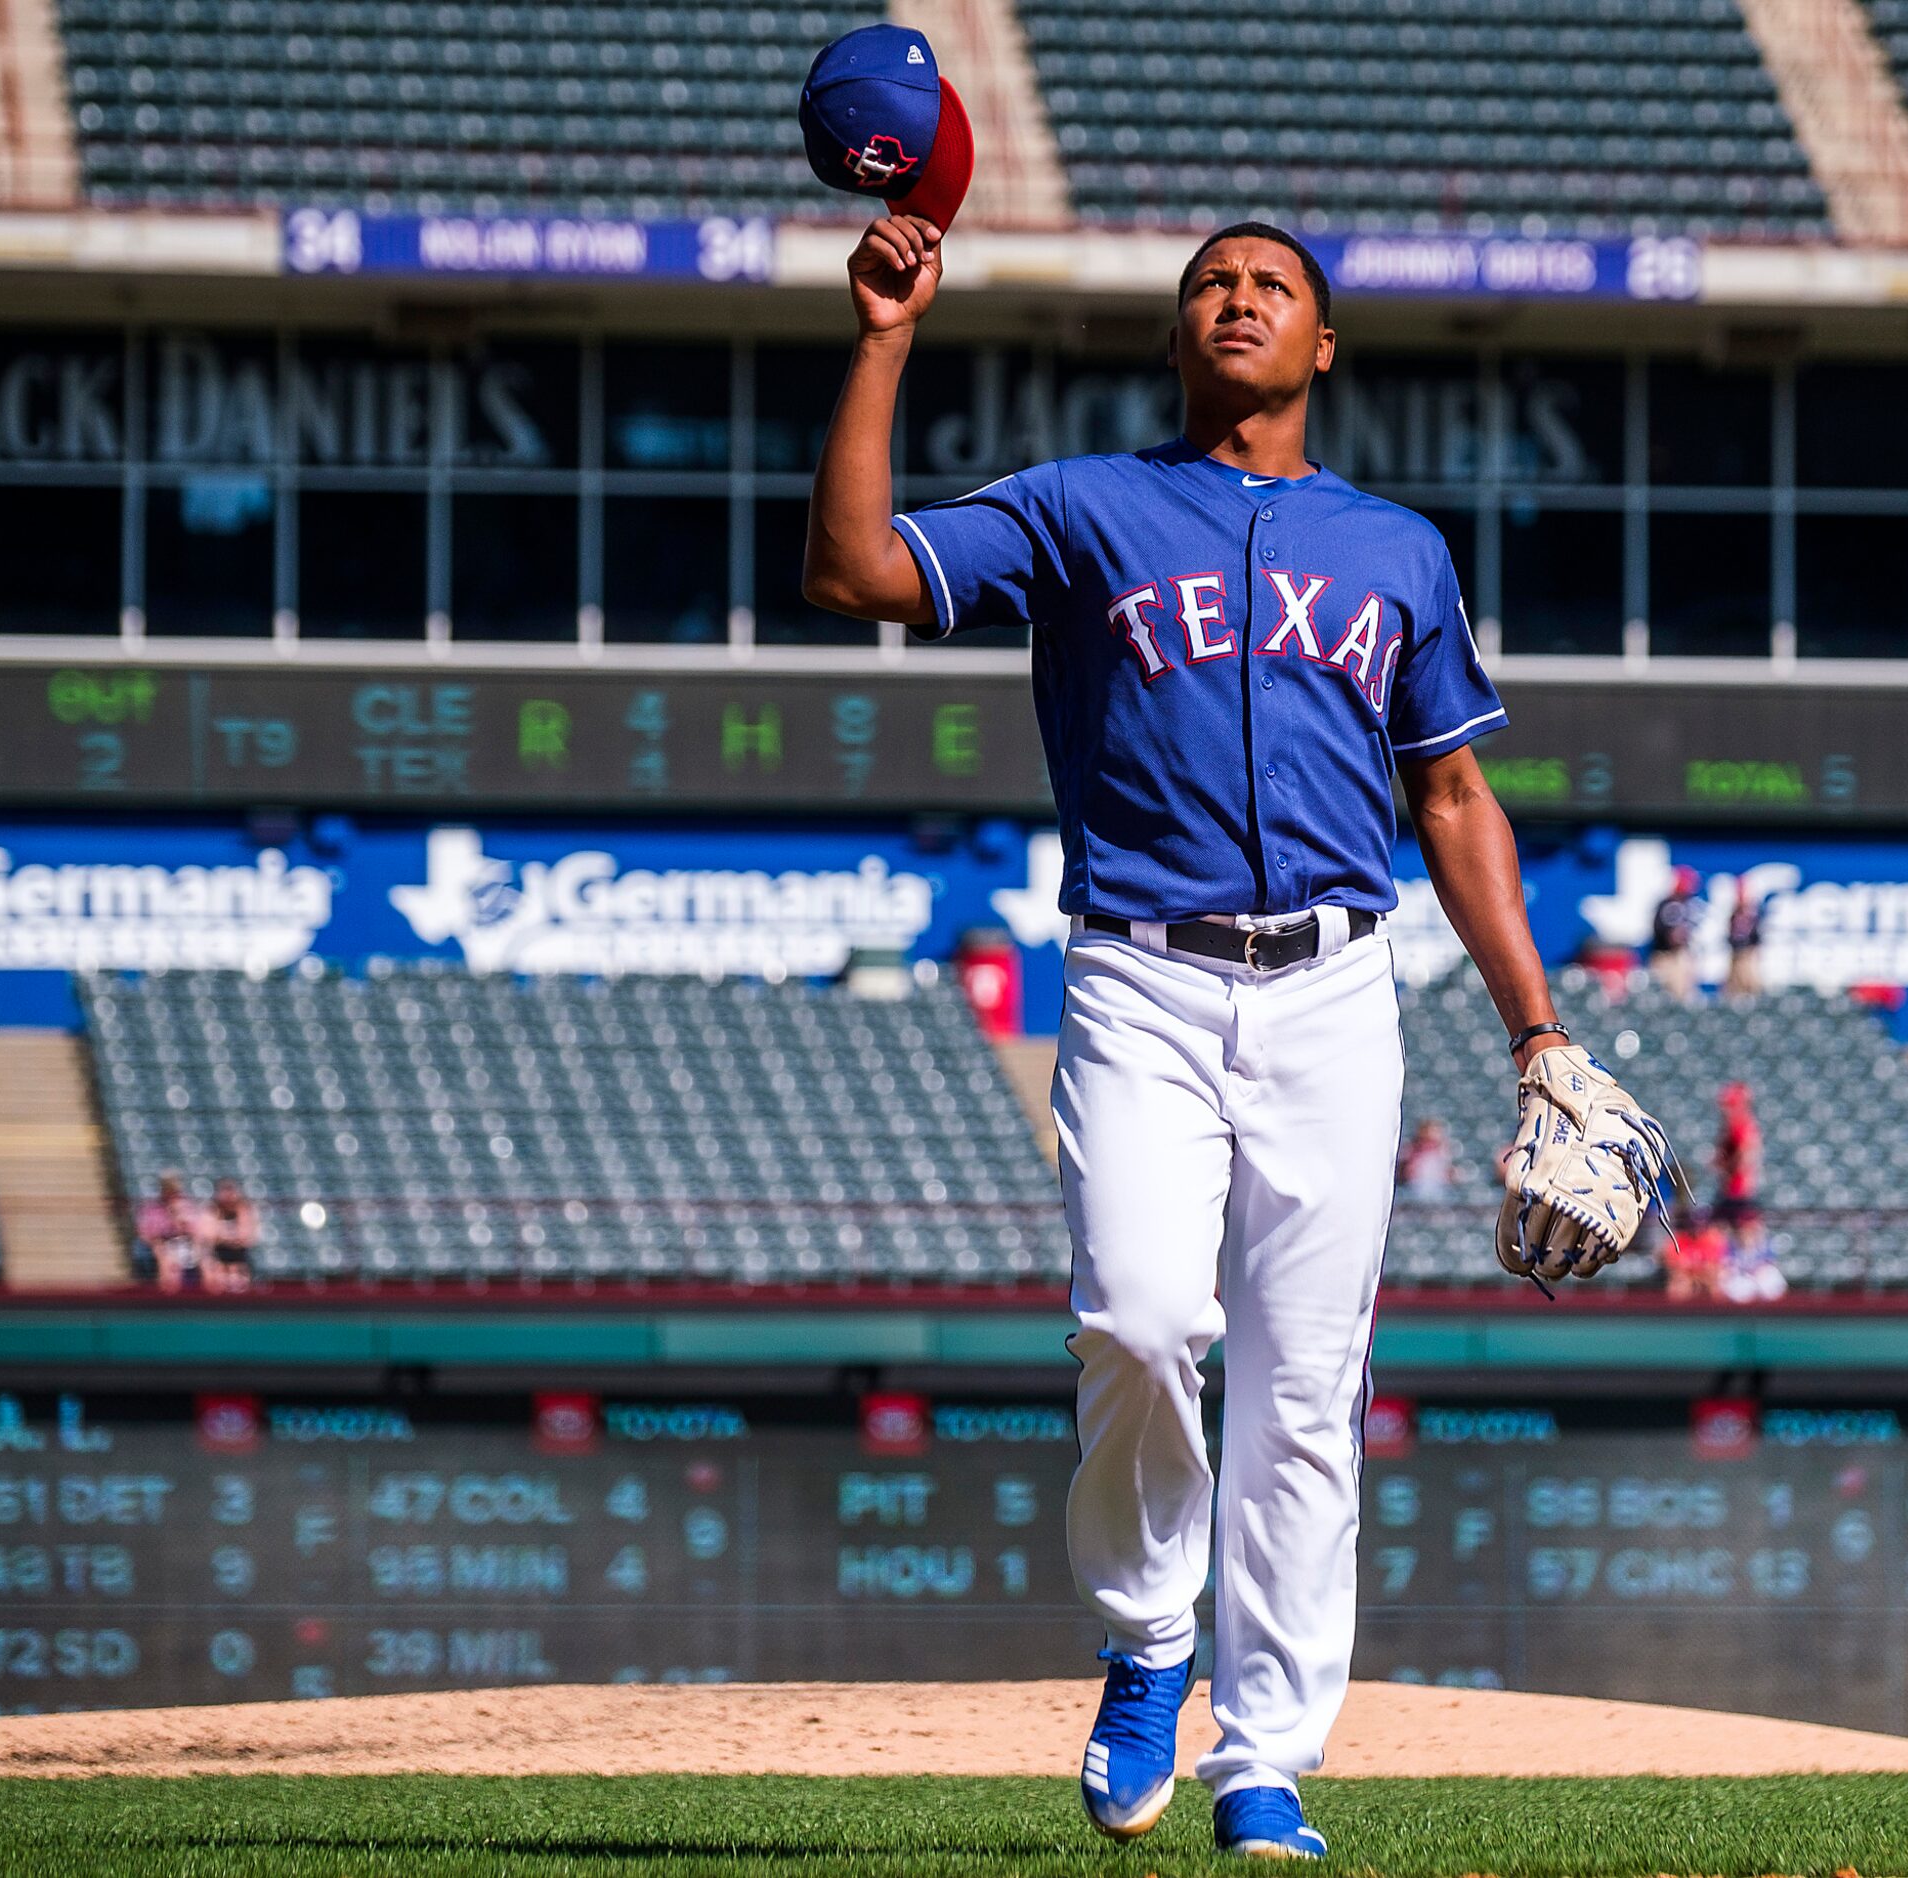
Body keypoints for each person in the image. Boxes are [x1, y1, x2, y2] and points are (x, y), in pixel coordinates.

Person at [805, 209, 1606, 1861]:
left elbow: (1452, 795)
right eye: (1209, 289)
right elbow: (856, 571)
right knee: (1141, 1317)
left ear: (1323, 348)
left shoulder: (1396, 550)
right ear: (1177, 343)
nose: (1236, 301)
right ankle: (1148, 1635)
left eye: (1272, 288)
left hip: (1334, 986)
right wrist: (885, 333)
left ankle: (1267, 1759)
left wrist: (1541, 1033)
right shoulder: (1084, 506)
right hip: (1140, 977)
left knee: (1306, 1393)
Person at [1712, 1084, 1783, 1302]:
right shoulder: (1734, 1126)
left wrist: (1725, 1164)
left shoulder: (1741, 1125)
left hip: (1738, 1189)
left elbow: (1747, 1155)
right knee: (1727, 1229)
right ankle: (1739, 1268)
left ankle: (1752, 1268)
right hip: (1734, 1188)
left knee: (1744, 1229)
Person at [133, 1172, 201, 1294]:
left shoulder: (186, 1206)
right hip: (160, 1244)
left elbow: (193, 1230)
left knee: (205, 1258)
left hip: (184, 1243)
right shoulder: (152, 1208)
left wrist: (178, 1219)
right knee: (164, 1256)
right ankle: (167, 1292)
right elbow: (146, 1234)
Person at [1649, 864, 1702, 1003]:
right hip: (1666, 956)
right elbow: (1664, 932)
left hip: (1681, 955)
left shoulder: (1689, 906)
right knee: (1666, 997)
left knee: (1685, 994)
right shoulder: (1668, 905)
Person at [202, 1179, 261, 1294]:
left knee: (238, 1279)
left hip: (241, 1255)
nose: (228, 1195)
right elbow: (209, 1236)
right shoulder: (212, 1210)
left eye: (231, 1191)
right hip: (218, 1254)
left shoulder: (245, 1209)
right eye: (224, 1191)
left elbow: (247, 1237)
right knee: (215, 1275)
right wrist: (228, 1238)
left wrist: (226, 1237)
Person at [1666, 1207, 1728, 1302]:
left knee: (1716, 1287)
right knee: (1678, 1286)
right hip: (1687, 1277)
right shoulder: (1678, 1239)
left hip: (1705, 1277)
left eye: (1701, 1224)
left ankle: (1717, 1314)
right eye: (1694, 1224)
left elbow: (1714, 1267)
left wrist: (1700, 1276)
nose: (1697, 1228)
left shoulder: (1713, 1239)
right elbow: (1675, 1267)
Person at [1722, 879, 1764, 1005]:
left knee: (1750, 985)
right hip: (1735, 955)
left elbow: (1757, 937)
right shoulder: (1734, 914)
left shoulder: (1753, 915)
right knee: (1733, 988)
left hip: (1748, 955)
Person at [1395, 1120, 1456, 1203]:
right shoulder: (1411, 1149)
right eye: (1428, 1132)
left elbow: (1449, 1175)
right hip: (1414, 1189)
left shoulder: (1444, 1151)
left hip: (1438, 1190)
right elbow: (1405, 1173)